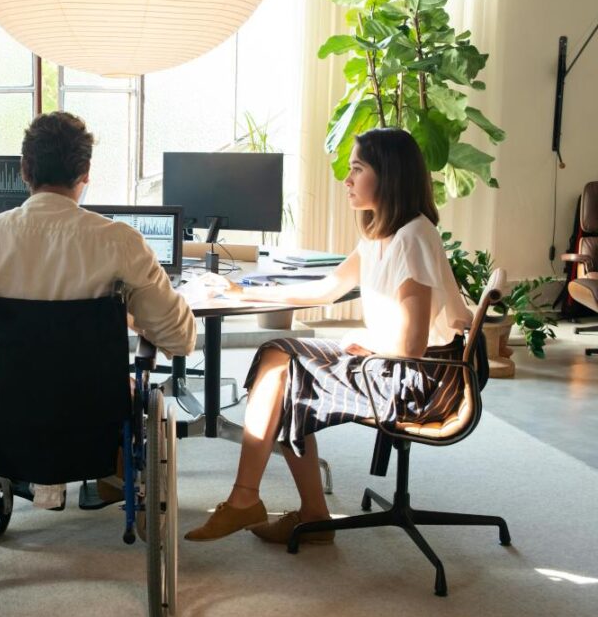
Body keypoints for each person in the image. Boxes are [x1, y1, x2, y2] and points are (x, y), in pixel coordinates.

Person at [184, 127, 472, 543]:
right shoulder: (380, 235)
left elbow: (411, 346)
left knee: (284, 366)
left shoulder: (413, 238)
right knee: (279, 358)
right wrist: (242, 292)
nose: (347, 179)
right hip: (393, 363)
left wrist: (364, 345)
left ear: (389, 176)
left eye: (358, 169)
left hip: (418, 379)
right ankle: (296, 512)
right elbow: (325, 289)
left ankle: (259, 504)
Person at [0, 111, 197, 508]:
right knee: (135, 387)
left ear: (23, 170)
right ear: (85, 172)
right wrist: (135, 317)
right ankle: (111, 480)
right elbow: (180, 338)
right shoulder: (121, 243)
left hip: (1, 419)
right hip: (92, 424)